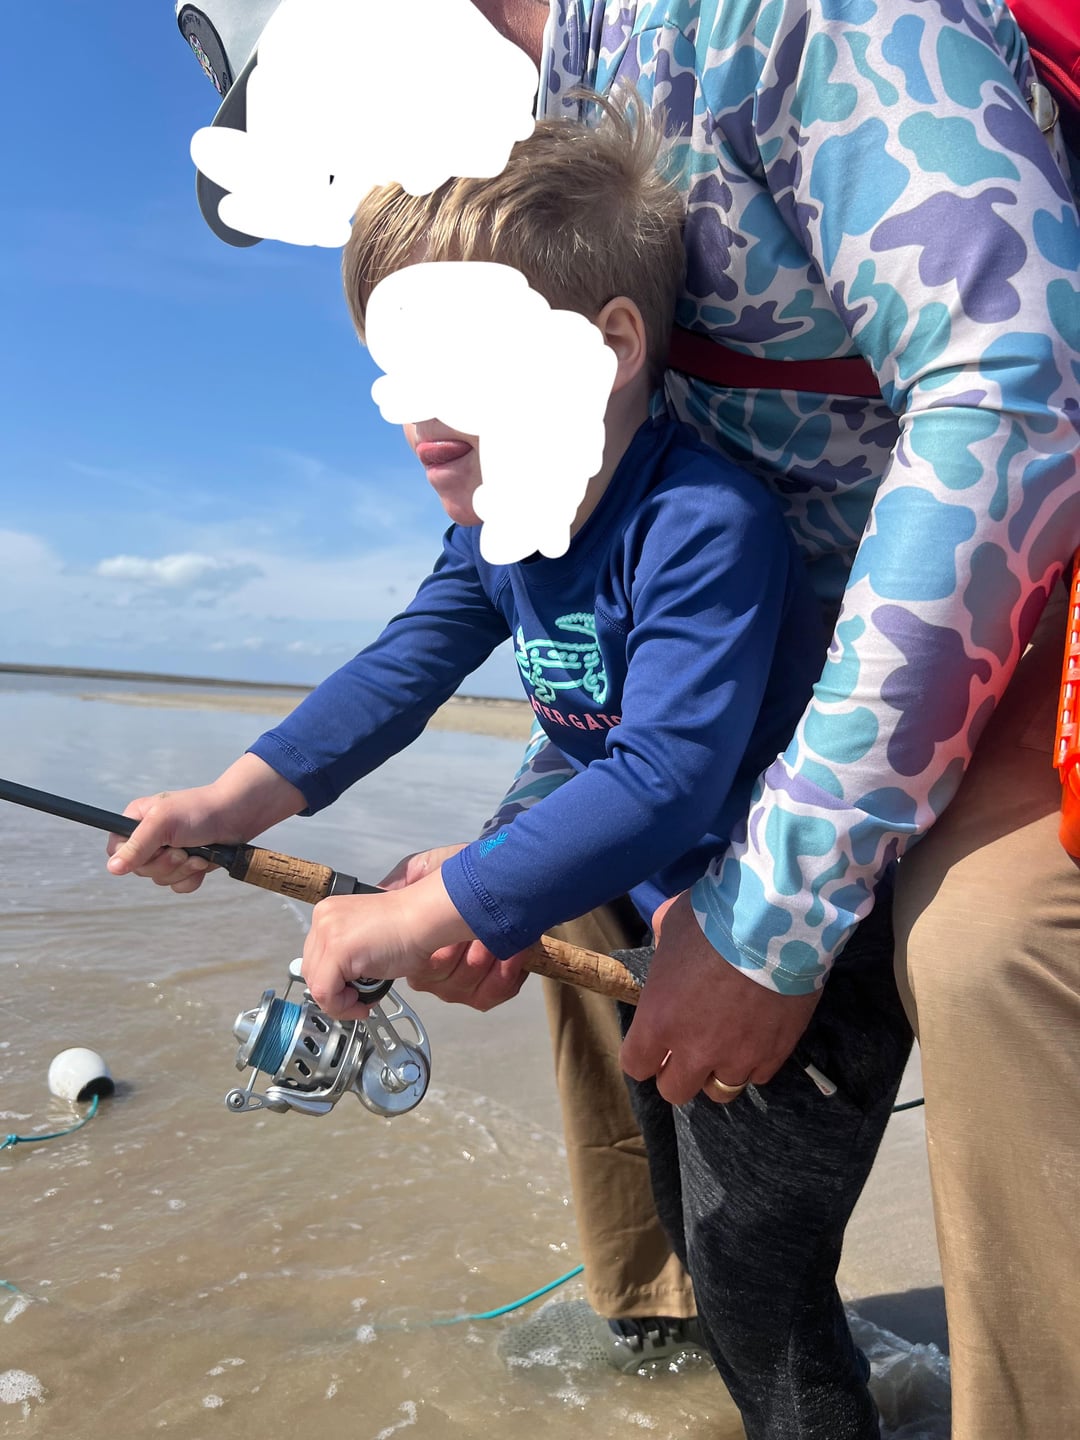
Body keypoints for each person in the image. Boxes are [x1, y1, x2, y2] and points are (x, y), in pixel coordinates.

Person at [107, 101, 911, 1437]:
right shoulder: (501, 536)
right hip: (646, 926)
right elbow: (396, 674)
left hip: (787, 950)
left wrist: (426, 907)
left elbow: (664, 775)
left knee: (753, 1266)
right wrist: (224, 802)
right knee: (686, 1214)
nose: (420, 416)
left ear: (610, 347)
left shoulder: (702, 522)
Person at [416, 3, 1076, 1437]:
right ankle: (673, 1325)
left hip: (1033, 616)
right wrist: (504, 856)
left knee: (990, 946)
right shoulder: (571, 97)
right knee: (569, 880)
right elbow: (624, 596)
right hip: (802, 664)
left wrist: (772, 915)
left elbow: (1016, 395)